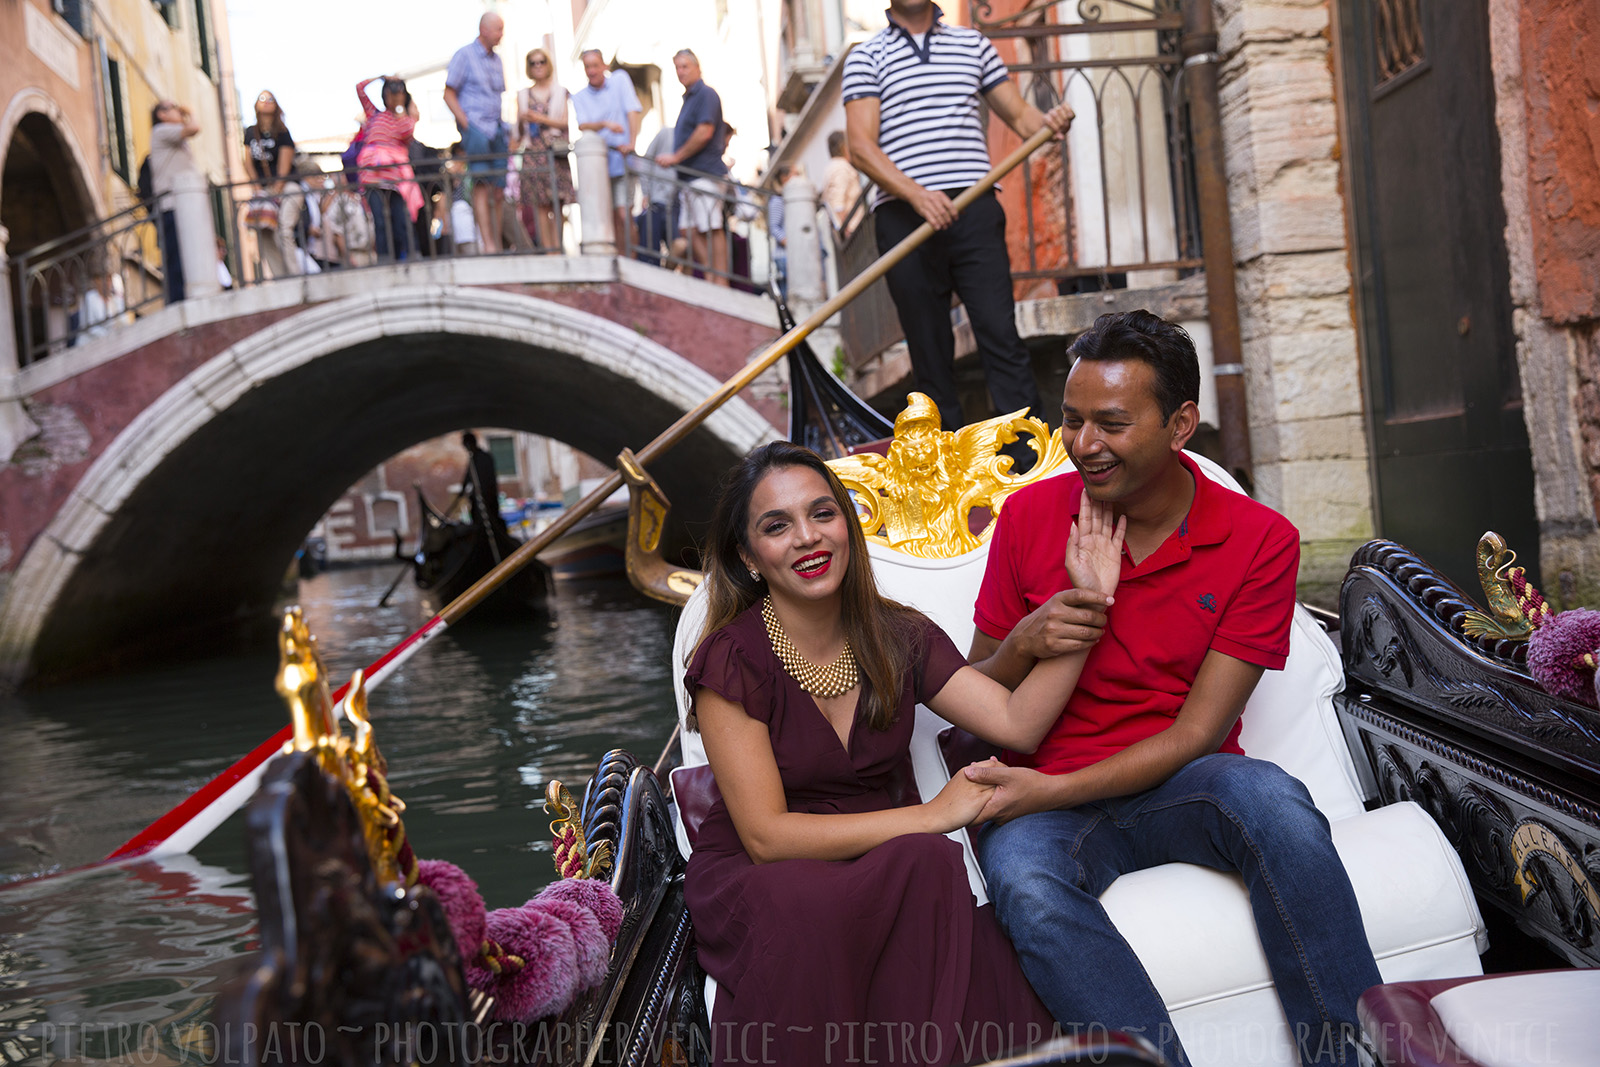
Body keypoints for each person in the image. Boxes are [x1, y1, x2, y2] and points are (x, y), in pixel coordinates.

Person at [963, 310, 1383, 1066]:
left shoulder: (1260, 539)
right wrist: (1029, 638)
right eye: (1072, 419)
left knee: (1277, 803)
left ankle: (1350, 1057)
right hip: (1048, 797)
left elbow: (1195, 734)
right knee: (1025, 880)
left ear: (1180, 423)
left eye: (1112, 424)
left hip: (1183, 782)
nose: (1083, 445)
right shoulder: (1027, 517)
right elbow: (975, 689)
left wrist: (1040, 792)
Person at [681, 439, 1147, 1066]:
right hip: (766, 869)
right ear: (749, 556)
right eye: (776, 525)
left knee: (927, 865)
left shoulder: (897, 633)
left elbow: (1016, 722)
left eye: (823, 514)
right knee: (830, 891)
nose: (807, 538)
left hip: (880, 853)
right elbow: (765, 836)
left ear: (846, 524)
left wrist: (1088, 604)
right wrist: (934, 814)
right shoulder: (731, 658)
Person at [842, 0, 1073, 432]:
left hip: (974, 207)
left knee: (1001, 336)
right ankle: (942, 479)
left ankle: (1030, 467)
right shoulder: (865, 57)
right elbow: (860, 146)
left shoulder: (974, 45)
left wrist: (1049, 121)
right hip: (903, 214)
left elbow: (1022, 117)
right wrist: (918, 196)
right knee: (929, 353)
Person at [653, 50, 728, 285]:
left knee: (711, 227)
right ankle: (711, 276)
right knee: (689, 231)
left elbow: (704, 132)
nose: (681, 72)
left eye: (685, 66)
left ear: (697, 67)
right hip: (689, 178)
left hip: (705, 173)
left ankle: (721, 280)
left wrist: (676, 156)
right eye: (677, 67)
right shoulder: (689, 99)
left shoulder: (706, 94)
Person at [445, 13, 509, 254]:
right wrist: (467, 124)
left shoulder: (498, 61)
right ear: (484, 29)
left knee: (499, 188)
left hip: (497, 129)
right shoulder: (464, 55)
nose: (502, 34)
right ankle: (490, 246)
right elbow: (449, 93)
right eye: (498, 29)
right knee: (481, 186)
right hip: (477, 130)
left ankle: (497, 242)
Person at [570, 49, 642, 250]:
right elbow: (583, 125)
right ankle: (619, 260)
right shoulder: (579, 97)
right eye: (587, 66)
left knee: (623, 214)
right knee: (608, 218)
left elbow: (632, 110)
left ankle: (631, 261)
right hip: (598, 169)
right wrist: (605, 124)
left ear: (604, 66)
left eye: (595, 65)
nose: (592, 70)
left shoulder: (620, 80)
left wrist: (632, 143)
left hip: (622, 161)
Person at [356, 76, 421, 261]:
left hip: (396, 181)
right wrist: (381, 77)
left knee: (401, 220)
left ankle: (411, 255)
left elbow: (407, 132)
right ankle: (385, 259)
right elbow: (360, 88)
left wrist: (401, 103)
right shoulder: (374, 115)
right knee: (380, 222)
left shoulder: (405, 119)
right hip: (373, 180)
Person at [516, 48, 574, 252]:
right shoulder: (522, 95)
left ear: (547, 64)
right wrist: (523, 120)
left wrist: (540, 119)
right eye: (533, 63)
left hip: (554, 153)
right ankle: (549, 250)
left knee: (556, 204)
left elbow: (564, 122)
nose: (538, 66)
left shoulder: (560, 91)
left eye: (541, 62)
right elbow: (518, 132)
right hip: (533, 153)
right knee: (539, 204)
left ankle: (558, 247)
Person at [149, 100, 202, 303]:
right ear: (161, 114)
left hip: (182, 204)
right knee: (176, 257)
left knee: (184, 256)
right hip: (171, 205)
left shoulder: (174, 135)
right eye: (173, 108)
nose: (179, 110)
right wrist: (191, 111)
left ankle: (183, 297)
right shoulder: (162, 131)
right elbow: (194, 128)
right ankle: (177, 301)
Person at [242, 91, 297, 277]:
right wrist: (257, 189)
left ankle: (295, 275)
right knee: (264, 233)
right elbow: (247, 162)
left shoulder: (282, 132)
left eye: (270, 99)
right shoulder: (251, 132)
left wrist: (275, 191)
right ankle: (280, 277)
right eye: (262, 99)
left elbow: (284, 165)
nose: (266, 102)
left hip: (287, 187)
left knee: (283, 229)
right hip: (263, 189)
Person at [631, 126, 678, 266]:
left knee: (681, 246)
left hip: (677, 205)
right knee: (650, 253)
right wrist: (646, 192)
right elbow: (646, 162)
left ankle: (667, 274)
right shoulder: (667, 134)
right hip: (657, 203)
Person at [820, 129, 862, 237]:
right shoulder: (841, 168)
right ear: (843, 146)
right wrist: (846, 226)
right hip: (853, 229)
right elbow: (838, 202)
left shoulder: (831, 167)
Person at [460, 432, 504, 533]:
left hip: (488, 500)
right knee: (478, 525)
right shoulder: (473, 460)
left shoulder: (484, 458)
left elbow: (489, 480)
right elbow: (467, 479)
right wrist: (462, 493)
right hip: (478, 501)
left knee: (492, 524)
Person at [766, 163, 792, 299]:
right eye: (794, 174)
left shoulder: (786, 199)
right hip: (784, 254)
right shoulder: (777, 201)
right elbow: (773, 227)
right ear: (784, 178)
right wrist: (787, 241)